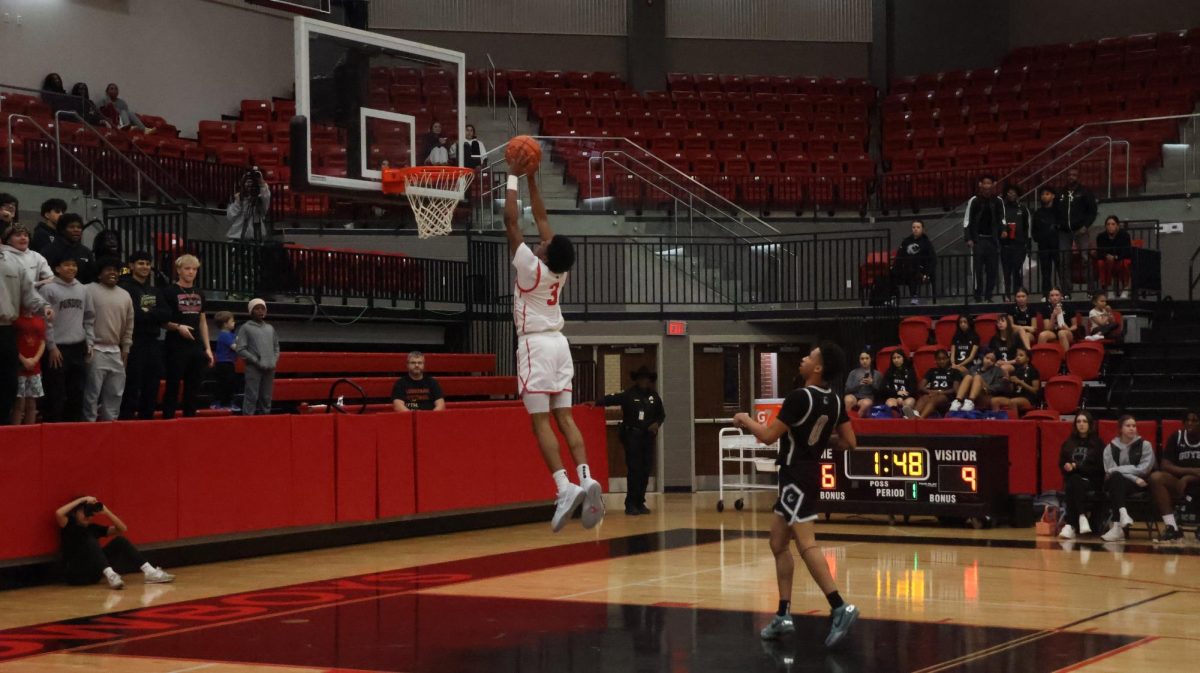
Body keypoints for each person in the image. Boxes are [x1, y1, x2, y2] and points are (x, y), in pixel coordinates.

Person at [731, 343, 860, 647]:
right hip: (808, 474)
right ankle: (783, 614)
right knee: (777, 542)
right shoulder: (836, 400)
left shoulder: (799, 397)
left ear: (817, 368)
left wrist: (744, 419)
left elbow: (766, 437)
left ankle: (839, 606)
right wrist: (814, 442)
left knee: (806, 543)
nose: (803, 358)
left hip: (794, 477)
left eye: (810, 356)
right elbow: (849, 442)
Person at [504, 160, 604, 533]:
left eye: (544, 243)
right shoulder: (561, 269)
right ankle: (586, 476)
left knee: (539, 422)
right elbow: (543, 219)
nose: (541, 239)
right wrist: (534, 180)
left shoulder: (531, 267)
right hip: (561, 345)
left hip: (536, 347)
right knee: (566, 417)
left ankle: (563, 487)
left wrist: (513, 175)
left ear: (544, 254)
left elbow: (511, 223)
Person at [55, 495, 174, 589]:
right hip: (75, 574)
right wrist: (83, 499)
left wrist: (106, 511)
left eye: (89, 513)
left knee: (120, 541)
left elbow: (122, 529)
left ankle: (149, 571)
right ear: (74, 513)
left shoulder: (93, 528)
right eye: (83, 512)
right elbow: (58, 513)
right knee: (89, 539)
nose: (88, 516)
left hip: (93, 574)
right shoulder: (68, 525)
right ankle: (110, 574)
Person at [600, 365, 666, 516]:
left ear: (650, 380)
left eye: (647, 378)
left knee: (645, 470)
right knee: (634, 470)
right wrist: (596, 402)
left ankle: (640, 502)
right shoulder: (628, 395)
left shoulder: (654, 397)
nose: (644, 381)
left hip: (648, 438)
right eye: (641, 378)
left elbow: (661, 415)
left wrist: (657, 424)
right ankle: (630, 503)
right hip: (632, 437)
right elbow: (611, 399)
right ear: (637, 379)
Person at [39, 254, 95, 423]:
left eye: (74, 265)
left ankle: (73, 431)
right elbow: (44, 321)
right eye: (67, 265)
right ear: (57, 268)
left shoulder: (83, 289)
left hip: (78, 346)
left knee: (76, 392)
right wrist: (51, 346)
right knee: (56, 392)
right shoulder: (48, 289)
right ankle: (54, 428)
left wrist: (90, 341)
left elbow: (89, 317)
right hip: (57, 348)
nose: (71, 268)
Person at [1, 243, 51, 426]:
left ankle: (8, 433)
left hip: (5, 326)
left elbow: (28, 291)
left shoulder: (13, 261)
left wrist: (43, 306)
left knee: (9, 387)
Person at [118, 251, 169, 420]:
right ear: (131, 266)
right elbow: (133, 315)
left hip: (153, 342)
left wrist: (148, 313)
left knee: (152, 384)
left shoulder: (155, 290)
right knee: (132, 384)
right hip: (133, 341)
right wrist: (152, 314)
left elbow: (166, 314)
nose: (145, 267)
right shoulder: (125, 288)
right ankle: (126, 421)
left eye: (148, 263)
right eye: (141, 263)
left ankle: (147, 420)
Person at [161, 254, 213, 419]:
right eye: (187, 268)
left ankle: (189, 419)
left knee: (194, 387)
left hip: (196, 345)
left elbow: (203, 321)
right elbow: (161, 321)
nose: (191, 272)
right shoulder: (169, 291)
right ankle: (168, 419)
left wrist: (208, 348)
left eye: (194, 269)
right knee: (173, 385)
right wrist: (177, 327)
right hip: (176, 345)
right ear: (178, 270)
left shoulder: (200, 293)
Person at [83, 258, 133, 422]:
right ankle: (88, 427)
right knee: (91, 393)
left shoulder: (125, 295)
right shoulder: (87, 290)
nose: (113, 273)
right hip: (95, 349)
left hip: (116, 350)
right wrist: (87, 344)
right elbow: (83, 319)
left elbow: (129, 324)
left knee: (115, 393)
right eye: (108, 269)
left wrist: (126, 348)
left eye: (115, 270)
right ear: (99, 274)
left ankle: (110, 428)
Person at [1100, 415, 1155, 542]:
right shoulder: (1110, 447)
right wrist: (1133, 477)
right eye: (1128, 426)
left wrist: (1132, 478)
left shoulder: (1145, 445)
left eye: (1134, 426)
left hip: (1138, 484)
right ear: (1120, 429)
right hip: (1120, 482)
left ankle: (1117, 527)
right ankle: (1123, 514)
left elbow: (1144, 469)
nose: (1132, 428)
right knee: (1116, 478)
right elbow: (1109, 470)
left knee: (1116, 476)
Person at [1150, 410, 1200, 542]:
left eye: (1194, 420)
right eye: (1187, 420)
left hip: (1196, 482)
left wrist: (1189, 477)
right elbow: (1165, 465)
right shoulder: (1176, 437)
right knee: (1156, 478)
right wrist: (1189, 472)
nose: (1190, 423)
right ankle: (1172, 527)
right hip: (1179, 482)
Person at [1058, 410, 1105, 540]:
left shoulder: (1098, 444)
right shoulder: (1068, 443)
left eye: (1084, 421)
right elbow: (1061, 464)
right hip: (1073, 479)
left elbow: (1100, 468)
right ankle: (1082, 516)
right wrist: (1066, 466)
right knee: (1074, 481)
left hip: (1092, 480)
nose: (1081, 424)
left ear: (1090, 424)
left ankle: (1070, 525)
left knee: (1073, 483)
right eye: (1078, 421)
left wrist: (1077, 467)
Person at [1055, 168, 1098, 294]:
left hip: (1081, 230)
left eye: (1074, 175)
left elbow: (1092, 211)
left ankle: (1091, 289)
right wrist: (1058, 225)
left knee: (1086, 258)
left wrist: (1086, 225)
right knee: (1064, 260)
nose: (1071, 177)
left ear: (1078, 176)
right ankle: (1067, 290)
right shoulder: (1060, 192)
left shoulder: (1085, 192)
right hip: (1064, 232)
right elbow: (1055, 211)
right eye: (1069, 175)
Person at [963, 174, 1004, 302]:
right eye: (984, 183)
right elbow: (967, 220)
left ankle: (988, 294)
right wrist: (968, 238)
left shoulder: (998, 201)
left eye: (989, 183)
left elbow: (1002, 219)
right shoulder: (974, 200)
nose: (987, 186)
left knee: (992, 269)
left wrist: (1003, 230)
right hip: (978, 240)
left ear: (993, 185)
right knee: (978, 270)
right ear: (980, 185)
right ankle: (978, 295)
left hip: (992, 240)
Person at [235, 298, 278, 416]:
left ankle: (266, 419)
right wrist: (255, 360)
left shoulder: (270, 328)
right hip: (253, 368)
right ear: (251, 311)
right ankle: (248, 420)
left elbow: (276, 347)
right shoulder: (246, 328)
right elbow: (240, 349)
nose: (260, 311)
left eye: (262, 308)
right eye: (257, 309)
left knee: (266, 396)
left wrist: (273, 360)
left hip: (269, 368)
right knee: (252, 395)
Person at [890, 219, 936, 305]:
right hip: (906, 269)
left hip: (920, 270)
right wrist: (894, 268)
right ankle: (892, 297)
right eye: (914, 227)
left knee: (912, 270)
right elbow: (899, 256)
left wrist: (927, 273)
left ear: (922, 229)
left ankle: (914, 296)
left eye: (918, 227)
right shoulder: (906, 241)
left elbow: (932, 259)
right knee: (890, 273)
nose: (915, 229)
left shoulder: (926, 242)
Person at [13, 307, 46, 425]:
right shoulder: (16, 320)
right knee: (19, 404)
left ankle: (30, 433)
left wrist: (35, 360)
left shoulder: (39, 320)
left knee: (32, 404)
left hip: (34, 369)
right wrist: (23, 360)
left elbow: (42, 342)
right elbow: (12, 342)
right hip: (20, 368)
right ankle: (15, 433)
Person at [999, 184, 1030, 301]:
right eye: (1009, 192)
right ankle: (1006, 295)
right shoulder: (1002, 209)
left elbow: (1027, 227)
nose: (1011, 194)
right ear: (1006, 194)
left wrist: (1027, 243)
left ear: (1017, 194)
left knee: (1017, 271)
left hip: (1019, 246)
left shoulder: (1022, 208)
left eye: (1014, 192)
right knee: (1006, 272)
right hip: (1005, 245)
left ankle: (1018, 295)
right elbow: (998, 225)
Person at [1031, 186, 1065, 297]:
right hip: (1043, 246)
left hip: (1058, 245)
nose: (1044, 196)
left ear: (1053, 196)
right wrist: (1039, 238)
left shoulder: (1059, 211)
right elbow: (1034, 230)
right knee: (1045, 272)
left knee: (1061, 270)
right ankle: (1046, 294)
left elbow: (1063, 226)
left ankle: (1065, 293)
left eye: (1047, 194)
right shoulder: (1038, 213)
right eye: (1042, 194)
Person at [43, 214, 95, 284]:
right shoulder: (49, 250)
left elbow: (91, 278)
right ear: (62, 229)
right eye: (71, 227)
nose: (76, 230)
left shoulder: (86, 252)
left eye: (79, 227)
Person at [988, 345, 1040, 417]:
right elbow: (1011, 390)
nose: (1018, 357)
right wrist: (1007, 382)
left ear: (1028, 358)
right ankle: (996, 423)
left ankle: (1014, 424)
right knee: (994, 401)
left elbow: (1035, 390)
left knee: (1012, 402)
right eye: (1017, 355)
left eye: (1021, 355)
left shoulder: (1033, 370)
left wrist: (1020, 382)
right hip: (1014, 397)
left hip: (1028, 399)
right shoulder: (1016, 370)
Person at [225, 169, 272, 241]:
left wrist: (261, 182)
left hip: (255, 238)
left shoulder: (261, 198)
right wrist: (238, 203)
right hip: (237, 236)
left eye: (252, 182)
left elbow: (266, 196)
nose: (250, 185)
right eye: (247, 182)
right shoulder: (238, 197)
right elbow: (230, 217)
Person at [915, 349, 963, 418]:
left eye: (944, 359)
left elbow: (955, 389)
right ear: (935, 360)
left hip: (946, 396)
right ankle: (914, 414)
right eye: (939, 359)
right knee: (924, 397)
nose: (942, 361)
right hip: (932, 394)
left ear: (948, 359)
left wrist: (940, 392)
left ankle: (921, 418)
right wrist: (931, 391)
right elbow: (920, 387)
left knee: (934, 399)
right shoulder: (931, 371)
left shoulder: (955, 372)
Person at [1094, 215, 1133, 299]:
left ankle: (1125, 288)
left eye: (1113, 224)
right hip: (1107, 261)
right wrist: (1106, 256)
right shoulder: (1101, 237)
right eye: (1108, 224)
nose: (1110, 226)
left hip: (1120, 260)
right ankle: (1109, 288)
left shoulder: (1124, 235)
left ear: (1117, 226)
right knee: (1100, 263)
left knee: (1126, 263)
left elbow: (1127, 252)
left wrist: (1116, 257)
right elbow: (1100, 252)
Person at [212, 311, 238, 411]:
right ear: (225, 324)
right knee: (224, 383)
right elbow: (235, 347)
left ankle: (226, 402)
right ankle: (219, 402)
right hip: (224, 363)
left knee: (230, 383)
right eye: (232, 321)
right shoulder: (224, 335)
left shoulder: (230, 334)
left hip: (229, 362)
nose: (234, 323)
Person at [880, 350, 918, 417]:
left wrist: (902, 397)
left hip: (907, 397)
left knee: (909, 402)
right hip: (893, 397)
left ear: (903, 358)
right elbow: (883, 388)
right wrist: (897, 393)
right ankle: (898, 416)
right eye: (894, 358)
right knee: (889, 403)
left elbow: (913, 388)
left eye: (898, 357)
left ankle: (906, 415)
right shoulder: (889, 371)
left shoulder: (910, 371)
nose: (896, 360)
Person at [843, 351, 882, 417]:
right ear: (859, 360)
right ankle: (847, 419)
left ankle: (856, 420)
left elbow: (880, 392)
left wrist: (872, 383)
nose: (864, 361)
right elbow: (846, 390)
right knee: (848, 399)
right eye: (862, 359)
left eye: (867, 358)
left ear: (871, 359)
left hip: (868, 398)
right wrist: (858, 385)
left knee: (866, 403)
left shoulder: (877, 374)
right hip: (854, 396)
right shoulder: (853, 372)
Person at [1038, 287, 1075, 352]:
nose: (1054, 297)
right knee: (1042, 335)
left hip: (1067, 331)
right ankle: (1040, 356)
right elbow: (1048, 328)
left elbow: (1075, 326)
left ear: (1061, 296)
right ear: (1049, 298)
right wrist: (1053, 315)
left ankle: (1066, 357)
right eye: (1052, 295)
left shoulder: (1068, 307)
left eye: (1057, 295)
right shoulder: (1045, 309)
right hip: (1053, 332)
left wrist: (1068, 329)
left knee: (1061, 333)